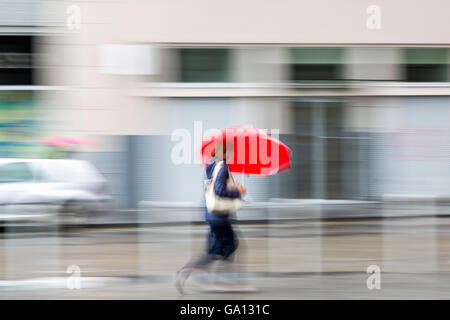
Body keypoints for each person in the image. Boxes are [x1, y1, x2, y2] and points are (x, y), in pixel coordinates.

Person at [175, 141, 246, 294]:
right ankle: (196, 273)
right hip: (220, 216)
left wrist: (233, 187)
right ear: (225, 153)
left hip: (212, 214)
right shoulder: (223, 167)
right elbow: (219, 190)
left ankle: (213, 278)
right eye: (231, 151)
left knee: (221, 248)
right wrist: (237, 191)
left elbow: (213, 188)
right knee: (226, 247)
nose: (233, 154)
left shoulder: (212, 166)